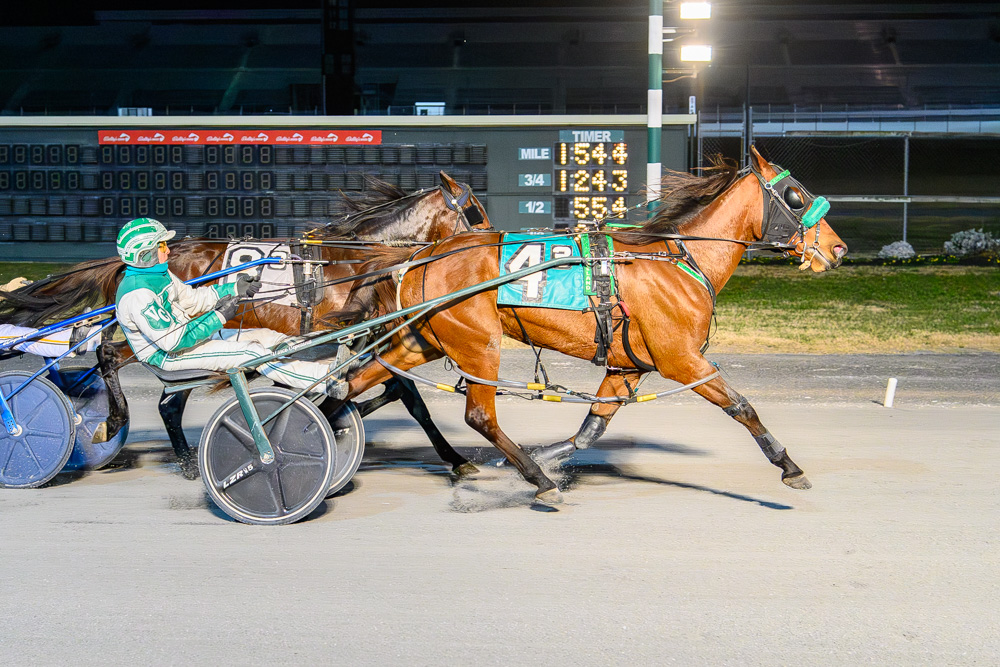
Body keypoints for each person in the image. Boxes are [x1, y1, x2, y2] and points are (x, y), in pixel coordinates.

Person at [114, 218, 346, 397]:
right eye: (161, 246)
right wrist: (218, 317)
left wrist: (235, 289)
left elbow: (194, 300)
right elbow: (173, 341)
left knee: (266, 336)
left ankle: (326, 359)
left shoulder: (159, 276)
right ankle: (324, 380)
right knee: (252, 353)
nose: (167, 250)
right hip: (170, 356)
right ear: (145, 255)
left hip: (187, 339)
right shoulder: (138, 294)